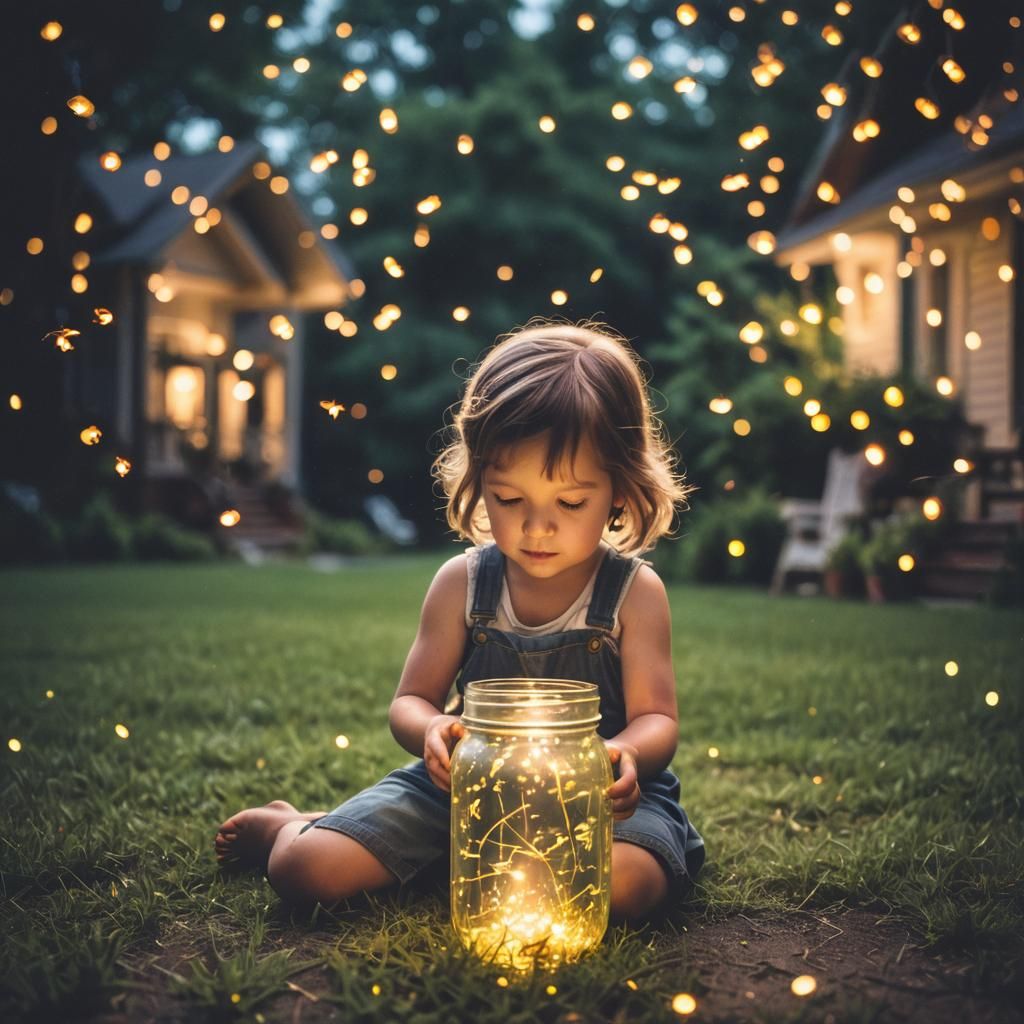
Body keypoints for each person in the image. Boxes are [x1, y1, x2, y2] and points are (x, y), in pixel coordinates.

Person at [215, 319, 705, 924]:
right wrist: (431, 734)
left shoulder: (634, 593)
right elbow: (411, 702)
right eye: (509, 497)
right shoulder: (464, 584)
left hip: (599, 803)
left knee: (626, 887)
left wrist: (622, 753)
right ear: (478, 482)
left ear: (621, 490)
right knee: (307, 871)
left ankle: (476, 861)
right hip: (466, 789)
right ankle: (293, 827)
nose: (536, 527)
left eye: (570, 502)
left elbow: (658, 718)